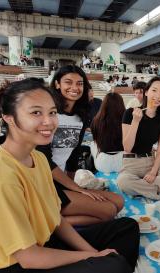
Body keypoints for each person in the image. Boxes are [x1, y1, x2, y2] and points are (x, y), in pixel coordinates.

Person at [0, 79, 140, 273]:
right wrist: (94, 257)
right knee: (113, 265)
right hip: (12, 264)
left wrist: (94, 253)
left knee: (126, 228)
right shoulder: (0, 174)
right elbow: (29, 258)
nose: (48, 122)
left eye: (52, 112)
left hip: (43, 242)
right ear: (9, 118)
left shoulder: (38, 158)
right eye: (35, 112)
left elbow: (56, 219)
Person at [36, 65, 124, 226]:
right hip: (41, 184)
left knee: (118, 201)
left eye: (80, 83)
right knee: (109, 211)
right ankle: (45, 224)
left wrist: (71, 187)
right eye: (68, 82)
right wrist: (77, 189)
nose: (74, 88)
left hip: (61, 181)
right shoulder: (49, 113)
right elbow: (43, 159)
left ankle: (53, 221)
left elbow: (74, 155)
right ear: (57, 84)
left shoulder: (81, 116)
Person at [90, 93, 125, 173]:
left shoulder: (96, 120)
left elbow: (95, 140)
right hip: (123, 163)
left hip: (102, 164)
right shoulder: (127, 120)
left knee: (92, 143)